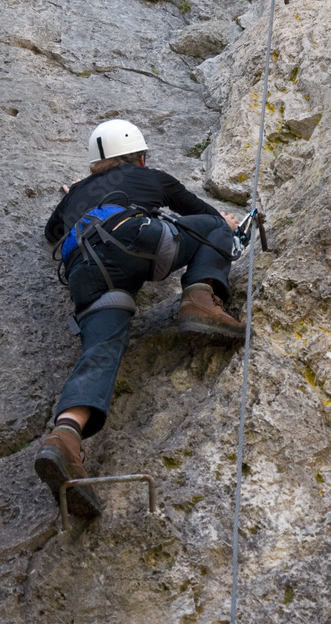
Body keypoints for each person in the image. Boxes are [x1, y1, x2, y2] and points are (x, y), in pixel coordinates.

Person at [35, 118, 245, 516]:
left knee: (100, 348)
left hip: (84, 271)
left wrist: (75, 197)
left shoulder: (75, 195)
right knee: (211, 229)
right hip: (133, 238)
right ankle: (201, 298)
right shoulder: (151, 178)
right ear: (141, 157)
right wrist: (228, 226)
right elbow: (203, 215)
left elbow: (52, 232)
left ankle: (66, 434)